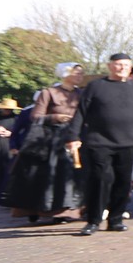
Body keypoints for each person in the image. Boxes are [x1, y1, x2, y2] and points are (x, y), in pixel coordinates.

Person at [67, 53, 133, 235]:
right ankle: (93, 221)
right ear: (110, 66)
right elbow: (81, 112)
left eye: (126, 65)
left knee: (122, 182)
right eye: (118, 64)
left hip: (128, 142)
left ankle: (116, 220)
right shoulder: (96, 86)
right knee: (100, 181)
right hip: (100, 142)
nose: (122, 68)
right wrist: (73, 136)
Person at [6, 62, 84, 222]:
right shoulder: (49, 92)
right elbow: (35, 116)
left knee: (70, 177)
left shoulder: (81, 94)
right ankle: (36, 209)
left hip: (74, 137)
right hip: (50, 140)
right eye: (76, 72)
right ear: (65, 74)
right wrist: (55, 117)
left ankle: (64, 211)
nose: (80, 76)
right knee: (45, 176)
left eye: (81, 73)